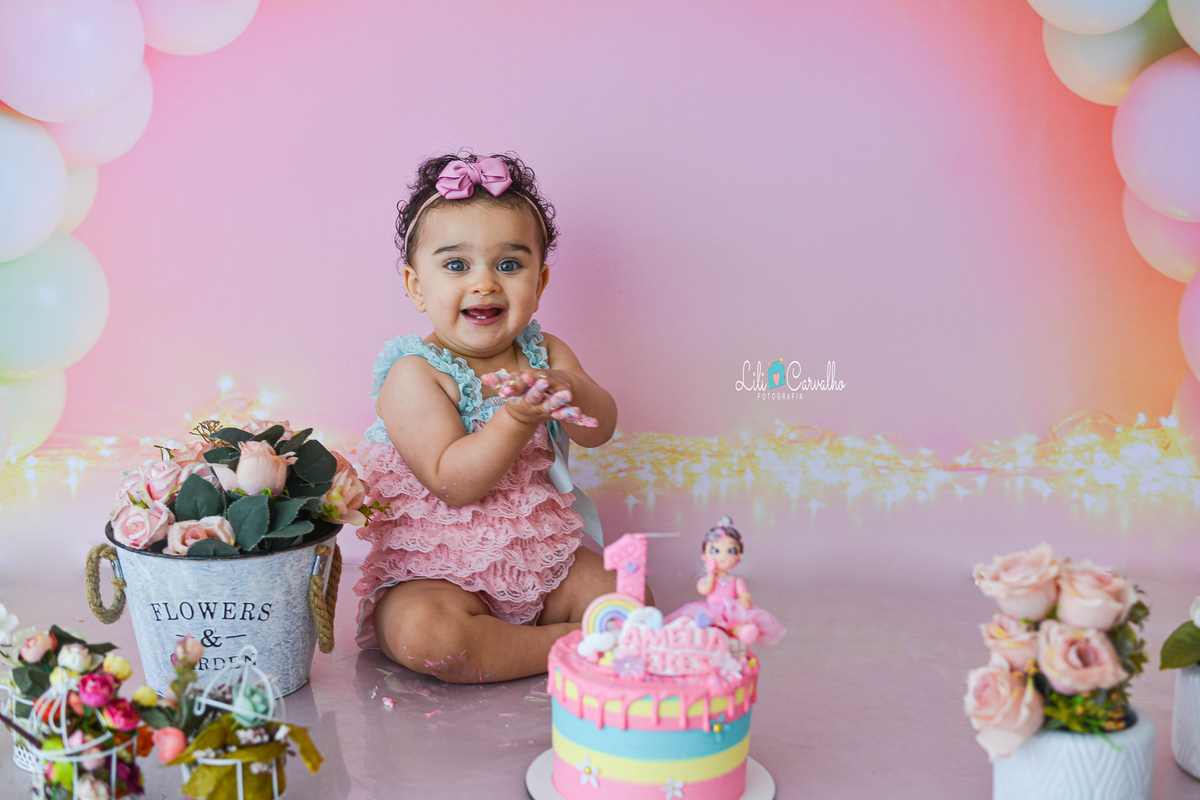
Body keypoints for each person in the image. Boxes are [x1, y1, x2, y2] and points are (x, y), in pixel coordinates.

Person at [354, 152, 639, 683]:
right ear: (417, 286)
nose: (485, 283)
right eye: (457, 265)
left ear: (541, 281)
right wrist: (517, 417)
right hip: (435, 575)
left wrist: (571, 389)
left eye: (509, 265)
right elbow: (453, 483)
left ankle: (526, 643)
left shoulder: (545, 353)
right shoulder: (413, 374)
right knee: (430, 636)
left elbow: (597, 431)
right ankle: (569, 647)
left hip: (541, 558)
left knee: (629, 592)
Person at [666, 516, 786, 646]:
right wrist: (711, 573)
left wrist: (744, 600)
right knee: (706, 625)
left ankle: (742, 631)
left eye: (731, 550)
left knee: (736, 625)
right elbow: (705, 589)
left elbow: (744, 594)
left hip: (731, 612)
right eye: (715, 551)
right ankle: (707, 632)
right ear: (704, 556)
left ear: (739, 556)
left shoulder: (736, 580)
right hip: (710, 612)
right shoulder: (706, 579)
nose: (723, 557)